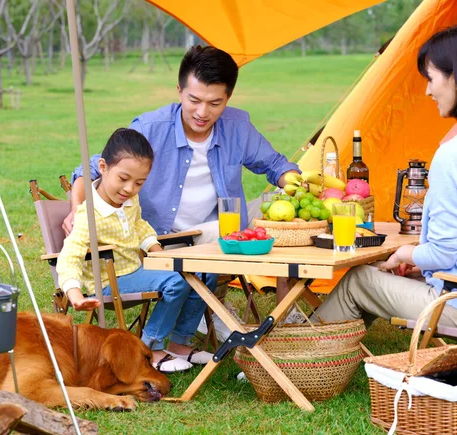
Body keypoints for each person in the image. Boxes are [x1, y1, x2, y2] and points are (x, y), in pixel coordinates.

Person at [63, 46, 299, 358]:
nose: (203, 112)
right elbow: (92, 167)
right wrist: (79, 210)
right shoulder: (151, 127)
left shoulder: (237, 126)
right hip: (164, 238)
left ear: (228, 98)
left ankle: (286, 317)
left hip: (219, 230)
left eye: (215, 103)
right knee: (216, 249)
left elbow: (276, 165)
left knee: (283, 212)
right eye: (194, 100)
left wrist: (294, 181)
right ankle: (221, 326)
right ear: (179, 91)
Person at [314, 25, 457, 332]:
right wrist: (420, 263)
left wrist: (401, 253)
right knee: (381, 278)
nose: (427, 91)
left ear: (456, 77)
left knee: (358, 280)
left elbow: (443, 252)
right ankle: (325, 357)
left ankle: (293, 362)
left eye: (430, 79)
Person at [56, 128, 218, 373]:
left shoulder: (129, 201)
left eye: (139, 183)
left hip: (136, 270)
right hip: (109, 281)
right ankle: (148, 349)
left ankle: (179, 343)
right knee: (177, 281)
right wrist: (75, 293)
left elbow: (139, 224)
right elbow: (70, 255)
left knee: (204, 272)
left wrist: (154, 247)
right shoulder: (88, 214)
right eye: (123, 178)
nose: (129, 188)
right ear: (103, 166)